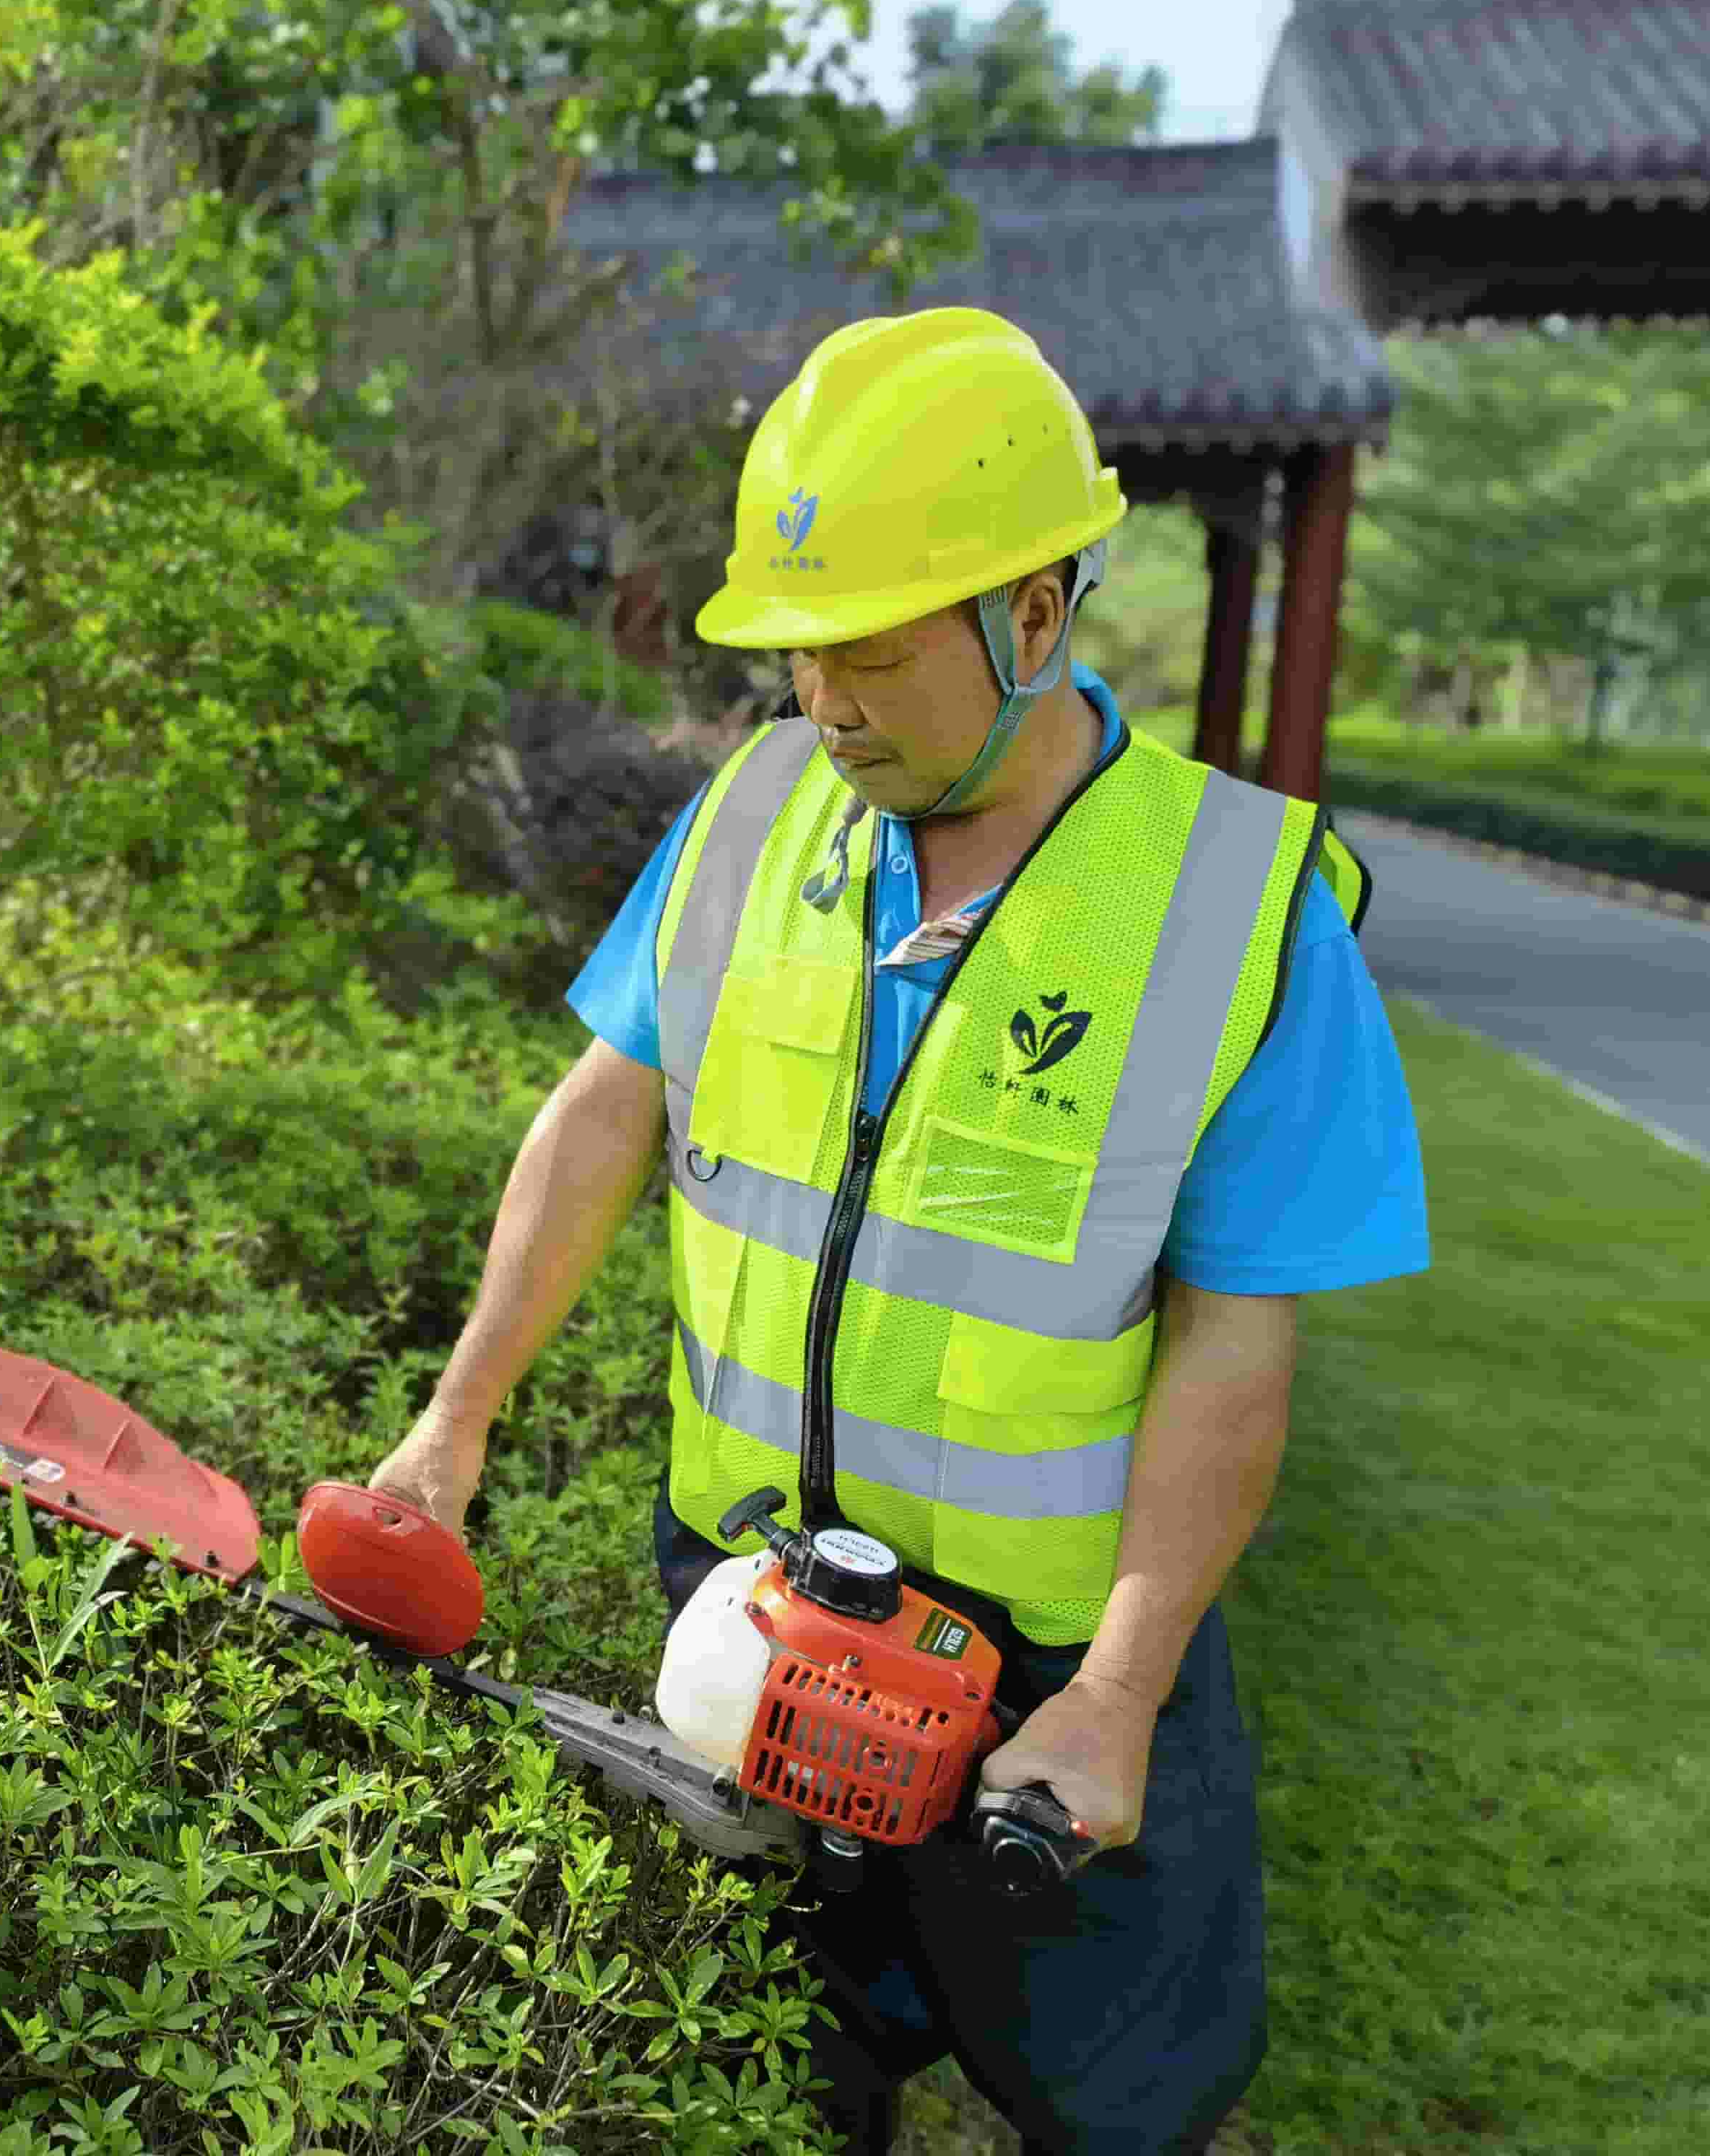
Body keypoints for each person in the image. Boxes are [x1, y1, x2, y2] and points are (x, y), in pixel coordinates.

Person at [363, 306, 1430, 2155]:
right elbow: (605, 1109)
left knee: (1113, 2104)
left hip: (1049, 1689)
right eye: (797, 663)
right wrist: (452, 1427)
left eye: (868, 658)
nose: (826, 707)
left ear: (1033, 614)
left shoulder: (1237, 909)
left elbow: (1235, 1338)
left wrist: (1116, 1691)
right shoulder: (751, 813)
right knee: (755, 2071)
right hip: (747, 1611)